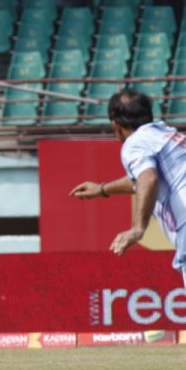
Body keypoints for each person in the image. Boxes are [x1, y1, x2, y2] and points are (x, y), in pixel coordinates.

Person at [70, 89, 186, 286]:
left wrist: (137, 229)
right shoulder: (167, 135)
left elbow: (148, 179)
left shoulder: (135, 142)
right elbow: (140, 181)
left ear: (116, 124)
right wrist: (102, 189)